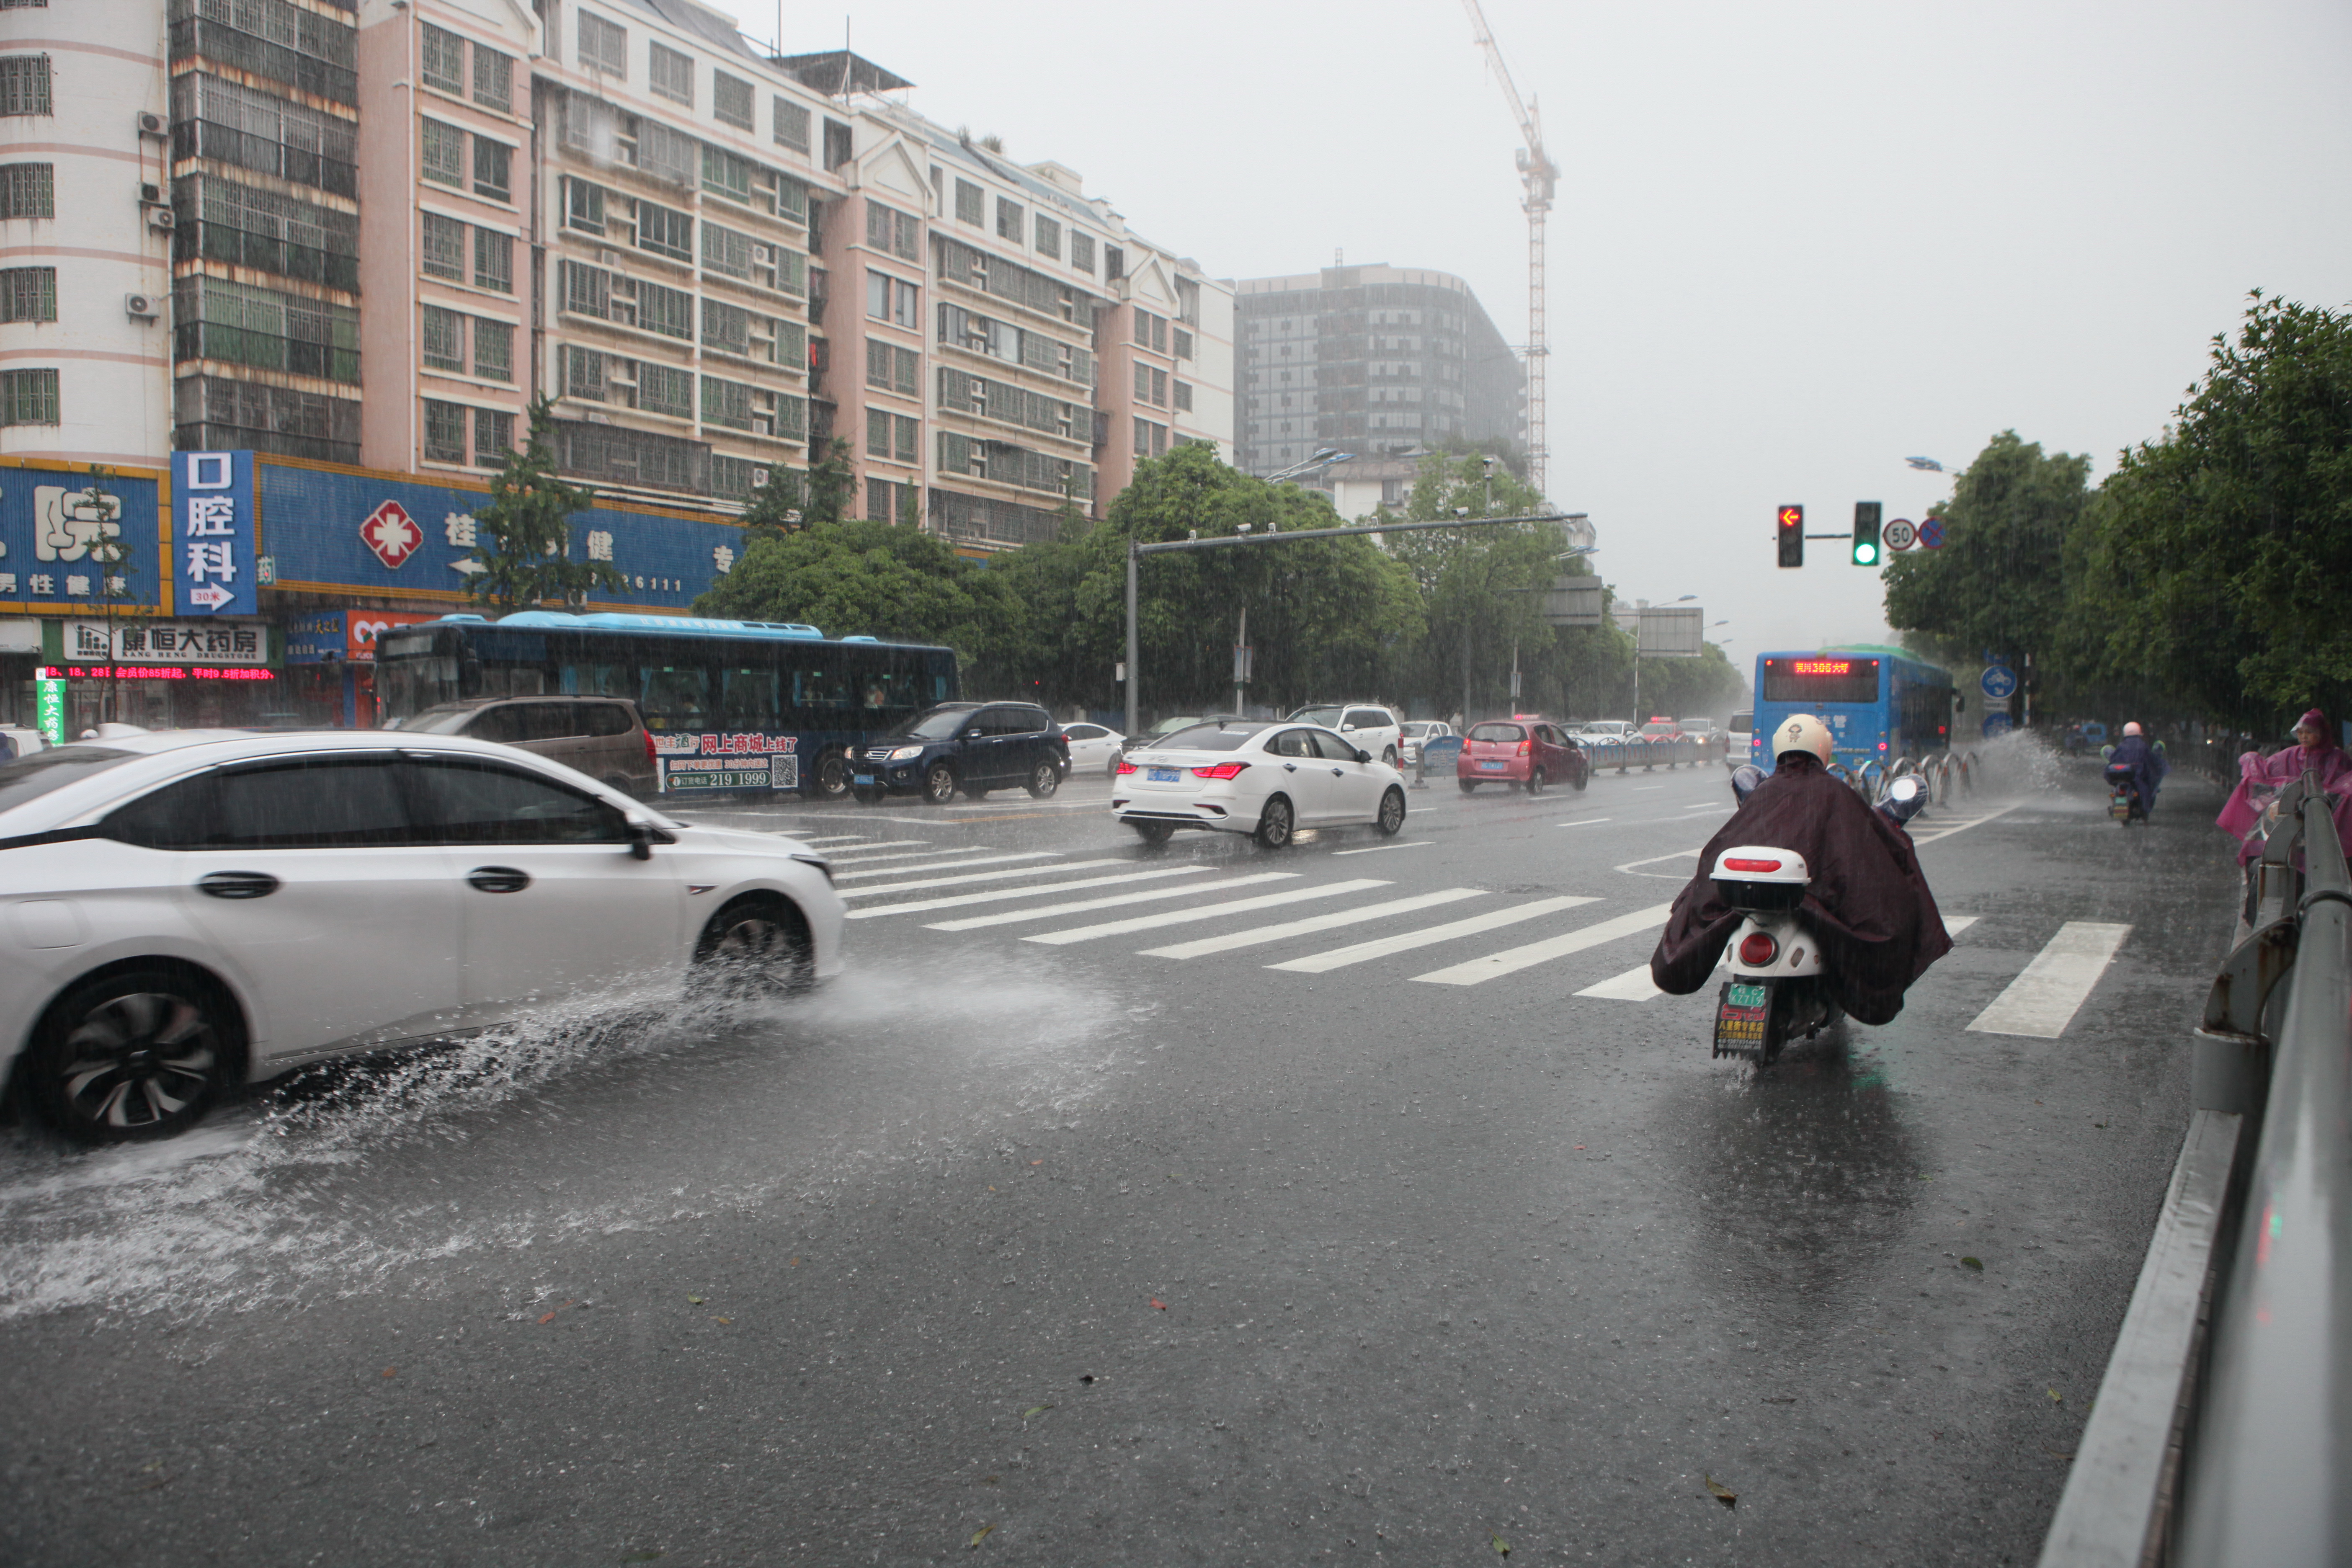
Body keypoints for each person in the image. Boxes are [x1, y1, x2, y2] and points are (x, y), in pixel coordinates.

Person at [1650, 714, 1954, 1025]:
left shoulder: (1765, 793)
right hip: (1812, 900)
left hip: (1751, 898)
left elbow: (1719, 848)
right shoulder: (1837, 793)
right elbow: (1867, 852)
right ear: (1823, 750)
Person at [2217, 708, 2352, 868]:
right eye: (2301, 733)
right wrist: (2251, 762)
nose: (2304, 737)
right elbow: (2266, 771)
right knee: (2257, 852)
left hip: (2326, 822)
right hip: (2288, 817)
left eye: (2309, 732)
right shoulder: (2289, 755)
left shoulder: (2338, 758)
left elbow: (2344, 789)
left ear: (2322, 733)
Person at [2104, 722, 2166, 819]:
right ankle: (2143, 810)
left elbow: (2113, 761)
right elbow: (2150, 763)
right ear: (2139, 732)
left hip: (2124, 780)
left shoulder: (2121, 746)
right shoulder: (2143, 746)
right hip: (2139, 780)